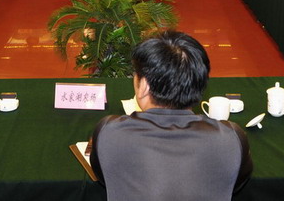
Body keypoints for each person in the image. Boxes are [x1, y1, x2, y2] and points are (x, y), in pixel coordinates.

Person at [90, 31, 252, 201]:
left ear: (144, 85)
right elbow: (236, 183)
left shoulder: (109, 131)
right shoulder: (232, 138)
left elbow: (103, 176)